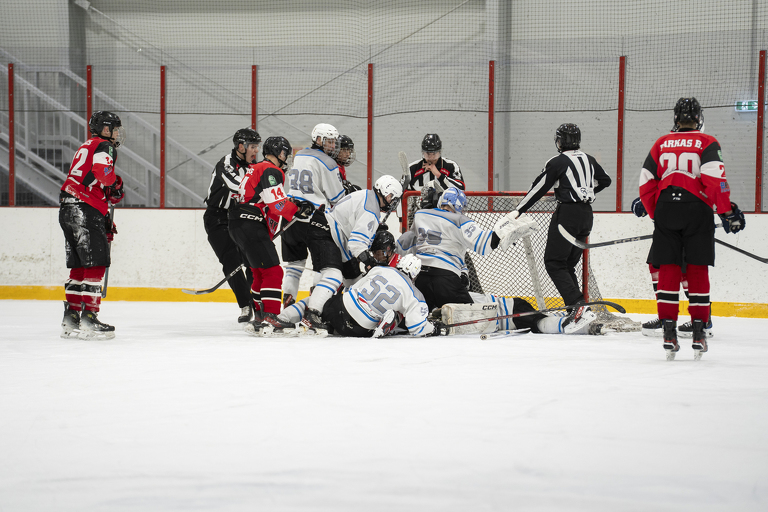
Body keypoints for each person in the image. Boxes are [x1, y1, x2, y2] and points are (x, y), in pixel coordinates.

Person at [638, 97, 745, 360]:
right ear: (699, 118)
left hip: (666, 209)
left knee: (668, 268)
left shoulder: (661, 142)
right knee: (696, 268)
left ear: (676, 118)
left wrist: (656, 213)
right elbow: (715, 180)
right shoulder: (707, 142)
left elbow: (646, 182)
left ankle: (669, 333)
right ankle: (698, 333)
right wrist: (726, 211)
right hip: (697, 210)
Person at [272, 175, 404, 335]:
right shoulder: (372, 209)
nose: (393, 203)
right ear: (388, 194)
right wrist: (370, 263)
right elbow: (356, 244)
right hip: (327, 232)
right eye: (393, 198)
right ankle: (312, 315)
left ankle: (285, 317)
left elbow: (352, 235)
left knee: (357, 285)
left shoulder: (367, 197)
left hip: (334, 236)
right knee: (333, 276)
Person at [511, 123, 611, 316]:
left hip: (567, 215)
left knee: (554, 263)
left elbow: (538, 188)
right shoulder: (589, 159)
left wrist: (518, 210)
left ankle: (578, 304)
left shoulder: (557, 162)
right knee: (567, 265)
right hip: (586, 215)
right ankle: (578, 309)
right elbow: (606, 180)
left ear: (560, 141)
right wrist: (585, 191)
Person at [397, 186, 537, 311]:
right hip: (445, 279)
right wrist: (502, 231)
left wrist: (463, 271)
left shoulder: (420, 215)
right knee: (470, 316)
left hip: (421, 279)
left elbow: (412, 239)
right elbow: (484, 245)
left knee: (425, 314)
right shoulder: (460, 220)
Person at [227, 136, 315, 332]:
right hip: (250, 223)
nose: (286, 158)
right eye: (285, 154)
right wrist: (297, 211)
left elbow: (266, 199)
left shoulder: (255, 168)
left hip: (237, 224)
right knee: (273, 271)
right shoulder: (270, 170)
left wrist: (291, 205)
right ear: (279, 153)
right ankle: (271, 317)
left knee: (259, 272)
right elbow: (277, 204)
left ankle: (259, 317)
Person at [59, 110, 126, 339]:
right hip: (85, 208)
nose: (117, 133)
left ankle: (71, 318)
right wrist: (114, 184)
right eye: (114, 129)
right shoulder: (105, 146)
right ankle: (89, 318)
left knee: (79, 265)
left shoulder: (86, 145)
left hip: (67, 207)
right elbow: (102, 173)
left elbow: (88, 176)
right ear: (105, 129)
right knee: (96, 263)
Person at [281, 123, 346, 307]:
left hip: (290, 216)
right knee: (322, 267)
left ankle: (287, 305)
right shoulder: (328, 162)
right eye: (329, 141)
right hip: (314, 220)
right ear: (318, 139)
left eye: (333, 142)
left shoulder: (299, 154)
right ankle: (315, 308)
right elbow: (337, 198)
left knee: (294, 267)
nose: (332, 146)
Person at [631, 197, 712, 338]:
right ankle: (665, 317)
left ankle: (702, 320)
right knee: (656, 266)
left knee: (687, 272)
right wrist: (645, 200)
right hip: (666, 232)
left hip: (689, 231)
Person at [203, 128, 260, 323]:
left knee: (254, 260)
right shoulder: (226, 164)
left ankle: (254, 300)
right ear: (241, 146)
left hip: (239, 217)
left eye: (257, 146)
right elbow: (240, 187)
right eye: (253, 146)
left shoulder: (254, 165)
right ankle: (245, 304)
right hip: (217, 218)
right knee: (231, 260)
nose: (256, 150)